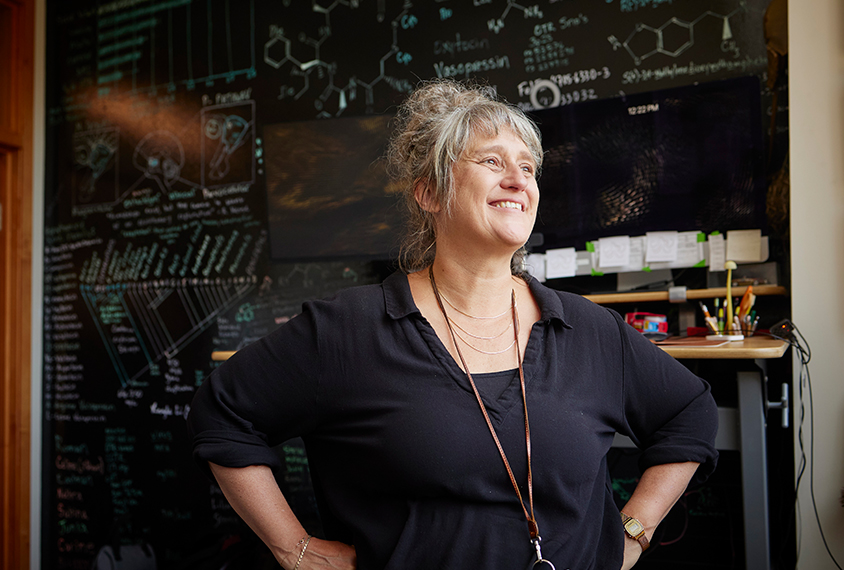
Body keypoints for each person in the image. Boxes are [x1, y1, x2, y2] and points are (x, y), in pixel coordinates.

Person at [187, 79, 718, 570]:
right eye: (492, 160)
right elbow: (223, 413)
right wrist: (294, 549)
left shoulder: (590, 329)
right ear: (429, 193)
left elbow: (689, 411)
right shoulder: (348, 330)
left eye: (529, 167)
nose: (518, 179)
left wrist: (635, 531)